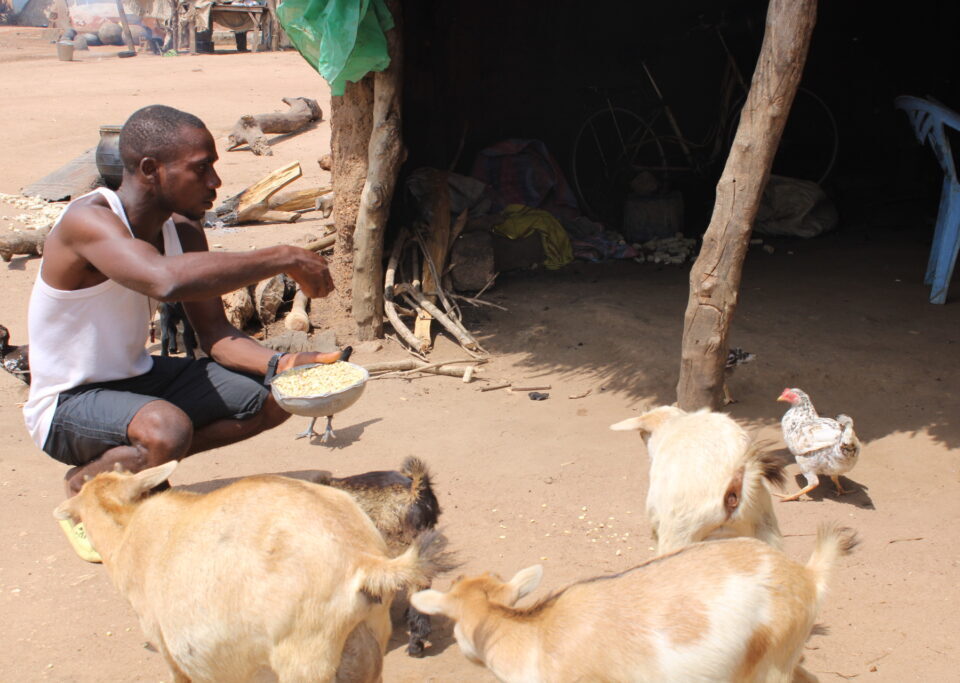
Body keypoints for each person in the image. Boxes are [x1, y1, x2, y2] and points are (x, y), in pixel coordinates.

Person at [23, 104, 343, 560]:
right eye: (201, 168)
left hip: (135, 380)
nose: (215, 182)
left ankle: (137, 467)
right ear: (151, 170)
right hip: (67, 403)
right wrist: (284, 256)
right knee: (166, 428)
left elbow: (215, 335)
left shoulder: (184, 231)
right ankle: (86, 487)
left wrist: (284, 365)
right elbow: (163, 280)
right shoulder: (87, 221)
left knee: (279, 395)